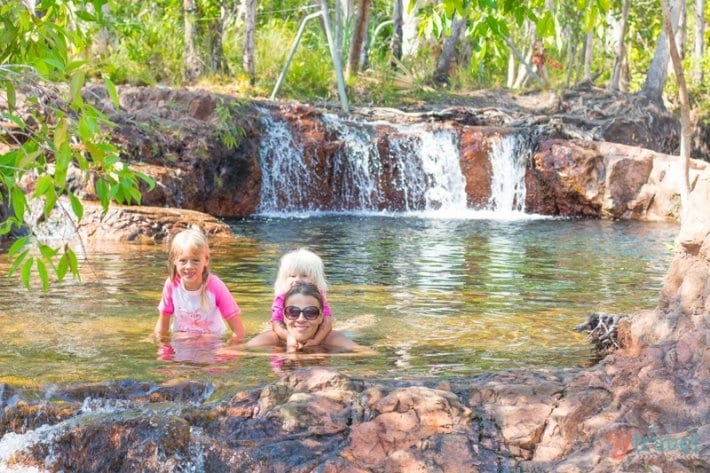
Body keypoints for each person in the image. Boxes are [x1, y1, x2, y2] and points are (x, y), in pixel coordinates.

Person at [154, 227, 245, 359]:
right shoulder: (171, 284)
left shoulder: (215, 286)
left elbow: (239, 331)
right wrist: (163, 347)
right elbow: (162, 325)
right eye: (183, 260)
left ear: (206, 260)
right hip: (182, 343)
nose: (189, 266)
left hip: (212, 344)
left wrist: (227, 350)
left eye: (195, 260)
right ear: (174, 261)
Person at [245, 282, 361, 352]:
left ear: (321, 317)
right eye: (293, 312)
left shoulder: (331, 339)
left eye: (310, 312)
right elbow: (233, 352)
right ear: (284, 316)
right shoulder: (273, 339)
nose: (301, 319)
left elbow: (365, 352)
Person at [253, 248, 333, 349]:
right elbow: (276, 322)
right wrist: (288, 337)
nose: (298, 280)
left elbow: (327, 322)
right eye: (292, 276)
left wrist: (315, 341)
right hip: (288, 327)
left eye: (304, 276)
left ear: (316, 279)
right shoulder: (281, 297)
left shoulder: (318, 296)